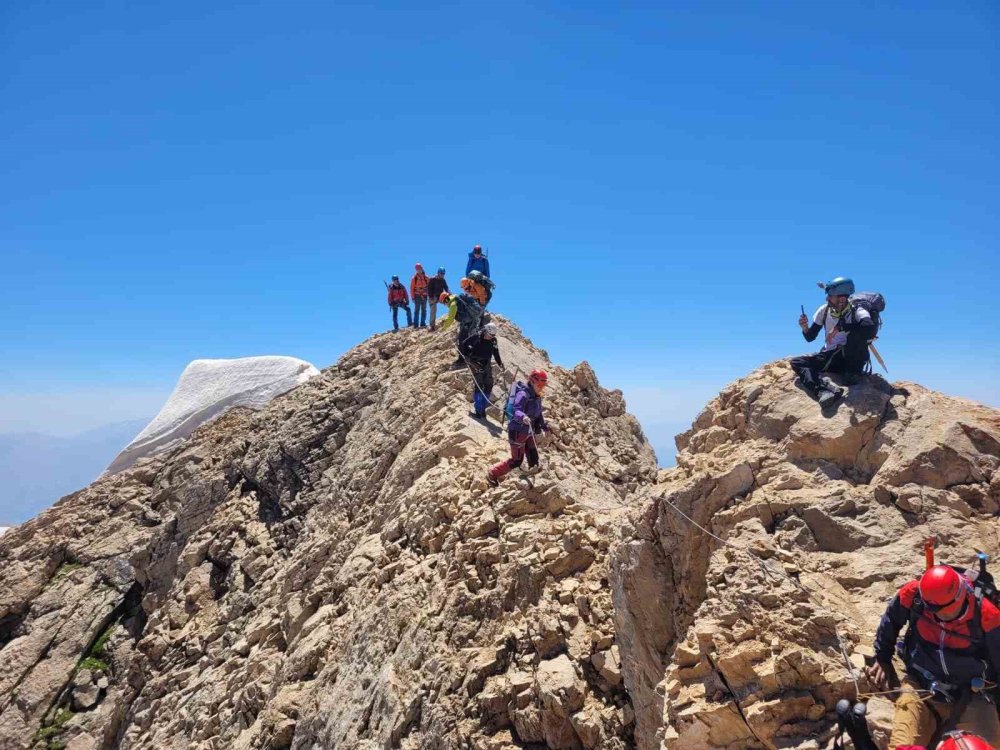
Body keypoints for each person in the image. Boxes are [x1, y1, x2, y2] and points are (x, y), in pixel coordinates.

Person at [867, 564, 1000, 748]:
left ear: (960, 595)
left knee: (988, 745)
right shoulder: (914, 596)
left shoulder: (987, 615)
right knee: (901, 745)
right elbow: (891, 620)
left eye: (942, 610)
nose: (936, 615)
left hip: (973, 693)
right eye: (932, 609)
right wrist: (882, 658)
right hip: (921, 686)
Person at [790, 276, 876, 407]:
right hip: (831, 356)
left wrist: (841, 327)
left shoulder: (857, 310)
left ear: (841, 299)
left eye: (830, 296)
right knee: (797, 362)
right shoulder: (824, 311)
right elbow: (810, 337)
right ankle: (825, 391)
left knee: (855, 334)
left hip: (852, 358)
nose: (827, 299)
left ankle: (851, 374)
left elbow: (870, 329)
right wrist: (805, 328)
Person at [486, 369, 548, 487]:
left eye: (543, 384)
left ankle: (533, 477)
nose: (542, 387)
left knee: (533, 454)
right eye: (540, 384)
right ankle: (492, 473)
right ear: (532, 381)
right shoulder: (523, 394)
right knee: (516, 461)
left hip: (529, 431)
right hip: (517, 431)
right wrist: (523, 416)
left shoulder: (537, 396)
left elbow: (538, 414)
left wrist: (544, 427)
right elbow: (516, 409)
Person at [464, 322, 504, 419]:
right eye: (490, 335)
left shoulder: (493, 340)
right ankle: (478, 410)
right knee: (479, 385)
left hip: (486, 363)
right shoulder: (476, 337)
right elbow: (464, 344)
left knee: (489, 385)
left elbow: (496, 352)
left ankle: (482, 409)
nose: (491, 337)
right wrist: (470, 359)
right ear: (485, 331)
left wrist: (500, 363)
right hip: (475, 363)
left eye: (493, 335)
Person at [410, 264, 429, 328]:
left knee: (424, 310)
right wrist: (412, 297)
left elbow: (429, 286)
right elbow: (412, 288)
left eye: (420, 268)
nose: (419, 270)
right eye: (418, 269)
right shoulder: (414, 278)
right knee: (417, 310)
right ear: (416, 270)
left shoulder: (426, 277)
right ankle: (416, 325)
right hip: (417, 295)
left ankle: (422, 323)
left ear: (422, 268)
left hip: (424, 295)